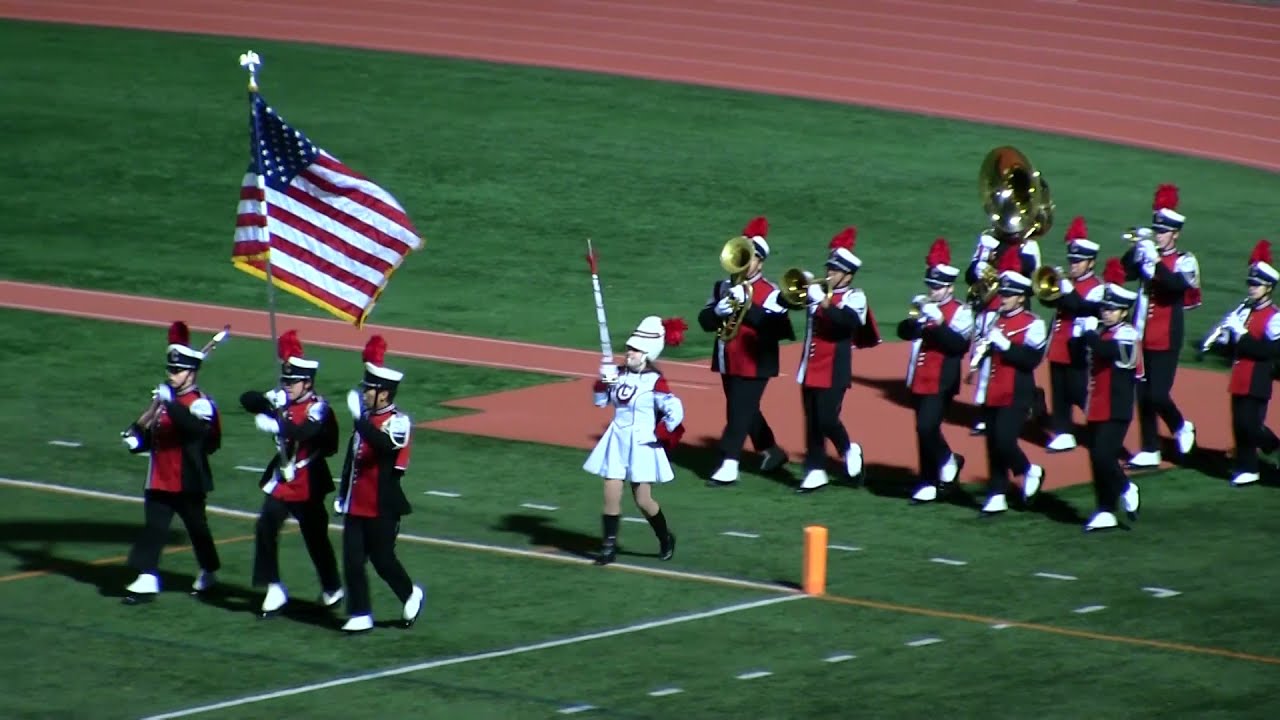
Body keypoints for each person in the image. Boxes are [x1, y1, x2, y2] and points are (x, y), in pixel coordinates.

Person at [240, 329, 344, 618]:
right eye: (284, 380)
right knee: (265, 526)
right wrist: (265, 404)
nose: (286, 386)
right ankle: (273, 586)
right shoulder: (283, 400)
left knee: (315, 537)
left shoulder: (318, 408)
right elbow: (246, 398)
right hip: (283, 482)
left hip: (309, 480)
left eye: (292, 382)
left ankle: (332, 586)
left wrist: (278, 424)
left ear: (307, 382)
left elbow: (306, 432)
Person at [119, 322, 222, 604]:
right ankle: (147, 576)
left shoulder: (200, 403)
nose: (172, 375)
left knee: (198, 530)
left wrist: (171, 405)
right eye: (171, 369)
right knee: (154, 527)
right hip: (159, 478)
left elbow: (197, 433)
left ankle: (209, 569)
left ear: (191, 373)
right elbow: (155, 432)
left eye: (177, 370)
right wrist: (138, 437)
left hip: (188, 480)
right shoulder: (167, 401)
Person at [333, 335, 424, 633]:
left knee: (383, 560)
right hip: (356, 503)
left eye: (369, 390)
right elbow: (353, 458)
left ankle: (409, 593)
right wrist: (342, 493)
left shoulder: (398, 421)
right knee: (352, 560)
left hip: (382, 505)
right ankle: (360, 613)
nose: (364, 394)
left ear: (384, 394)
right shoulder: (365, 420)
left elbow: (385, 447)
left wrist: (359, 421)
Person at [699, 216, 796, 485]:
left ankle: (729, 463)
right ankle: (772, 451)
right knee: (746, 409)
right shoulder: (722, 287)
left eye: (751, 257)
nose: (745, 261)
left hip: (757, 362)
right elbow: (704, 321)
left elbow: (780, 329)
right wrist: (717, 312)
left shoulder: (772, 292)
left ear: (760, 262)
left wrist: (749, 307)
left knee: (738, 412)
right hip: (728, 359)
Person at [585, 316, 686, 566]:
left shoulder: (655, 381)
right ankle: (608, 547)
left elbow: (674, 409)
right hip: (617, 439)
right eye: (629, 348)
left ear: (647, 354)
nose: (629, 352)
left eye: (635, 349)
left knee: (643, 500)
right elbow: (600, 403)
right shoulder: (617, 374)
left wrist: (662, 431)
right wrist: (602, 382)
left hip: (642, 443)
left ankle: (665, 538)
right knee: (611, 492)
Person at [794, 227, 880, 493]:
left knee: (827, 419)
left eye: (835, 270)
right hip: (810, 366)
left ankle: (848, 449)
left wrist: (823, 302)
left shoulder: (855, 297)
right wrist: (803, 286)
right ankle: (815, 469)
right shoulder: (819, 292)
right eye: (829, 268)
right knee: (811, 421)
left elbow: (847, 323)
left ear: (848, 275)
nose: (829, 273)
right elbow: (788, 302)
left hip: (834, 369)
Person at [1122, 184, 1200, 468]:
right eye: (1157, 230)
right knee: (1142, 393)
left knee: (1157, 393)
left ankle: (1180, 425)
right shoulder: (1149, 252)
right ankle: (1150, 447)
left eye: (1164, 231)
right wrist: (1136, 250)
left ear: (1175, 233)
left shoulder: (1184, 260)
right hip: (1141, 332)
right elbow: (1125, 272)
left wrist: (1155, 261)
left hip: (1166, 336)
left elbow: (1175, 286)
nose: (1159, 235)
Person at [971, 248, 1048, 516]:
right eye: (1002, 293)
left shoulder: (1033, 324)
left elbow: (1030, 360)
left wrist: (1005, 346)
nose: (1002, 298)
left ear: (1021, 297)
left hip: (1016, 391)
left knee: (1004, 440)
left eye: (1008, 295)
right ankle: (997, 492)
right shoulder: (993, 319)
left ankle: (1028, 469)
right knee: (992, 443)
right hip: (992, 388)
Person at [900, 238, 975, 504]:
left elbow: (958, 345)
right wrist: (917, 320)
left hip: (942, 379)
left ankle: (947, 459)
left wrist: (940, 321)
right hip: (919, 378)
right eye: (931, 286)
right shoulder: (925, 307)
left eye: (938, 287)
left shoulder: (961, 312)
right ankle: (927, 480)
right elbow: (904, 332)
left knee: (927, 427)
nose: (933, 291)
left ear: (950, 287)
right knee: (922, 431)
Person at [1076, 258, 1143, 531]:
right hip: (1097, 403)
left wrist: (1089, 335)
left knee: (1104, 455)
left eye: (1112, 309)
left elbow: (1110, 352)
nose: (1106, 313)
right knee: (1096, 458)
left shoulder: (1127, 334)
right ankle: (1105, 508)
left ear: (1124, 312)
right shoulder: (1103, 332)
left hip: (1117, 406)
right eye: (1104, 308)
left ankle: (1126, 487)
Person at [1210, 240, 1280, 487]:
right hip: (1240, 375)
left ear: (1268, 288)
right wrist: (1225, 339)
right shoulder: (1245, 312)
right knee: (1239, 424)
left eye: (1256, 285)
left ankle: (1273, 447)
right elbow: (1233, 348)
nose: (1251, 288)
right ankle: (1247, 467)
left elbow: (1270, 351)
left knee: (1250, 425)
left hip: (1258, 376)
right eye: (1250, 283)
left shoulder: (1275, 317)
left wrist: (1241, 335)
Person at [965, 224, 1043, 435]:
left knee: (1011, 360)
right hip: (986, 309)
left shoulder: (1028, 246)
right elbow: (969, 276)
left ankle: (1030, 399)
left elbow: (1033, 281)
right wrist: (979, 265)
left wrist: (997, 253)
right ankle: (985, 409)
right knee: (985, 359)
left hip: (1014, 313)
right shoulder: (988, 240)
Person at [1038, 216, 1102, 452]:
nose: (1073, 265)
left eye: (1079, 261)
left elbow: (1082, 308)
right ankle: (1063, 431)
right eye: (1072, 260)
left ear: (1091, 263)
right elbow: (1049, 301)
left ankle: (1101, 430)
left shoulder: (1097, 287)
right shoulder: (1067, 282)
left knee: (1081, 392)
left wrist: (1067, 289)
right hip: (1059, 345)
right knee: (1060, 393)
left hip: (1079, 349)